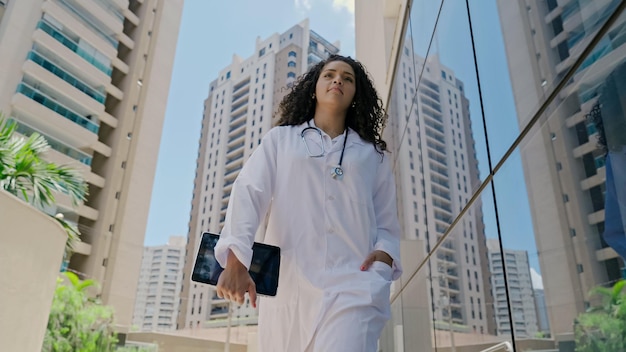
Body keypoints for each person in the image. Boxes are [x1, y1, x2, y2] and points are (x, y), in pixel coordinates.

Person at [214, 54, 402, 352]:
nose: (338, 79)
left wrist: (382, 262)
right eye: (329, 74)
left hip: (354, 287)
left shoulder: (372, 156)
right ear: (314, 87)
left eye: (347, 78)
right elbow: (249, 191)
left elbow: (387, 224)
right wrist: (236, 259)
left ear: (355, 94)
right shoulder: (281, 140)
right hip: (291, 287)